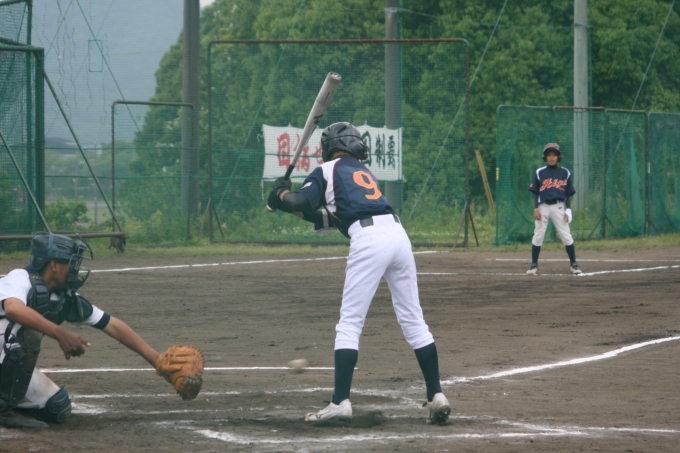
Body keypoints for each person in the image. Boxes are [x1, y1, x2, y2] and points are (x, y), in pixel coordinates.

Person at [267, 122, 451, 424]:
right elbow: (323, 217)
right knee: (413, 320)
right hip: (397, 235)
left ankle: (340, 401)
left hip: (369, 240)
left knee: (350, 323)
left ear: (328, 147)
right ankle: (436, 395)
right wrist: (284, 199)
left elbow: (301, 201)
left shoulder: (327, 170)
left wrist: (283, 193)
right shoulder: (361, 172)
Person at [0, 232, 161, 428]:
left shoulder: (62, 298)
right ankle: (3, 409)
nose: (75, 270)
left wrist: (156, 360)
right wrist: (61, 334)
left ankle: (7, 401)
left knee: (57, 407)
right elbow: (14, 310)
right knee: (28, 333)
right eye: (71, 263)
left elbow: (112, 325)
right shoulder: (19, 278)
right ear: (54, 265)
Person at [527, 143, 583, 275]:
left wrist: (569, 209)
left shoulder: (565, 173)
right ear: (545, 157)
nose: (551, 157)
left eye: (554, 155)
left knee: (566, 235)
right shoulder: (540, 172)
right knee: (538, 234)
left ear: (559, 157)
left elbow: (568, 193)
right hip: (543, 207)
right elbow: (536, 192)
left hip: (559, 206)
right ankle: (534, 265)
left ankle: (574, 265)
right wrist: (535, 208)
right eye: (549, 155)